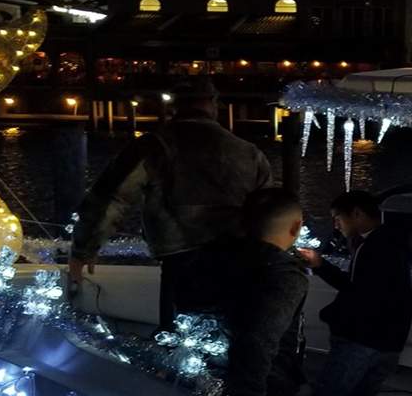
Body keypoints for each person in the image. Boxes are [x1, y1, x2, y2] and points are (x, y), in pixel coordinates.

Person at [68, 79, 273, 327]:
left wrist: (84, 250)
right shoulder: (249, 152)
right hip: (239, 259)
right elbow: (268, 211)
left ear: (173, 106)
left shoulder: (154, 146)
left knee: (178, 337)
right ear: (213, 104)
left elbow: (111, 199)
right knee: (229, 333)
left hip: (181, 257)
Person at [302, 191, 412, 396]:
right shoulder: (391, 242)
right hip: (389, 342)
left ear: (357, 214)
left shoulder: (373, 247)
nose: (336, 225)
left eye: (338, 218)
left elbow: (360, 295)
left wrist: (331, 314)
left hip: (362, 341)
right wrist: (322, 265)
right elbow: (366, 289)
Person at [175, 188, 308, 396]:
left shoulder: (207, 258)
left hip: (198, 382)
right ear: (296, 227)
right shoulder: (283, 275)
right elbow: (259, 337)